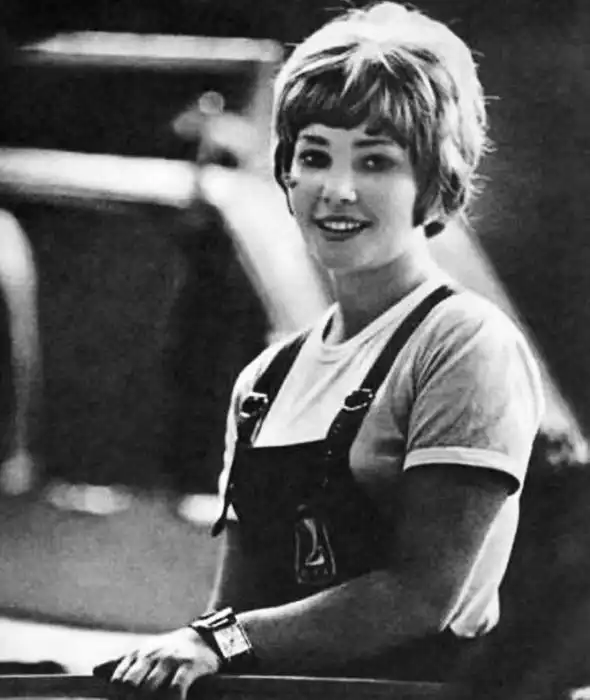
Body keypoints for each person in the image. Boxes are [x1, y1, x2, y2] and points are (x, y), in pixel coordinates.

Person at [96, 1, 544, 692]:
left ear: (433, 184)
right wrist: (182, 656)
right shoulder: (264, 381)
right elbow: (232, 614)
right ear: (287, 174)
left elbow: (423, 595)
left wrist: (218, 641)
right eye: (314, 156)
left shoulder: (463, 344)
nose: (337, 189)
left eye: (376, 161)